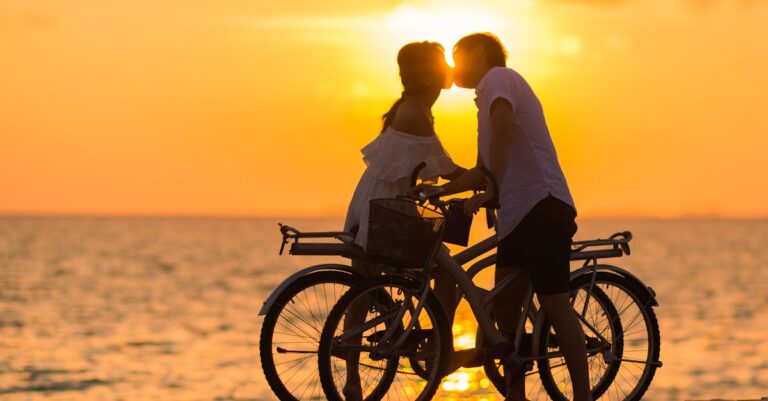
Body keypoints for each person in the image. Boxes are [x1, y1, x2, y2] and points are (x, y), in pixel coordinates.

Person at [422, 33, 591, 401]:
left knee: (555, 304)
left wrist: (492, 188)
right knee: (506, 313)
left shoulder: (499, 78)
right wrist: (438, 192)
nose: (453, 66)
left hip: (543, 204)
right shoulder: (484, 99)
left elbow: (502, 133)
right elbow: (482, 168)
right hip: (516, 215)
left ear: (478, 52)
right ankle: (516, 395)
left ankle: (583, 396)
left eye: (457, 55)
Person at [341, 41, 466, 401]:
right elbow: (446, 168)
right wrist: (489, 178)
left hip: (374, 204)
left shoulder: (414, 108)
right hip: (388, 211)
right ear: (428, 74)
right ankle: (438, 346)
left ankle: (352, 379)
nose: (449, 67)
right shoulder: (414, 113)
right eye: (443, 63)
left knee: (362, 286)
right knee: (447, 274)